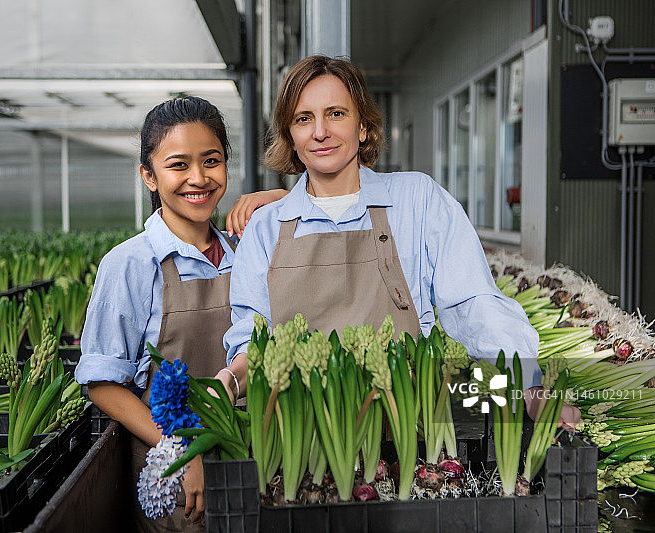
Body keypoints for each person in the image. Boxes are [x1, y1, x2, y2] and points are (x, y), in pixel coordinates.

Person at [216, 55, 580, 428]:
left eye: (336, 113)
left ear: (363, 127)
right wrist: (228, 382)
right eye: (303, 119)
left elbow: (472, 302)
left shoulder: (417, 200)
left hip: (409, 428)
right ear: (290, 137)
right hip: (301, 434)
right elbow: (252, 341)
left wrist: (530, 386)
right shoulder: (264, 228)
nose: (320, 131)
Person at [74, 96, 286, 532]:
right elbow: (101, 383)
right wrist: (180, 450)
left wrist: (280, 197)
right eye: (178, 165)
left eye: (212, 161)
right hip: (175, 474)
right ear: (148, 177)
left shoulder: (245, 252)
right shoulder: (130, 264)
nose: (198, 178)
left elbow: (319, 225)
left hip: (254, 456)